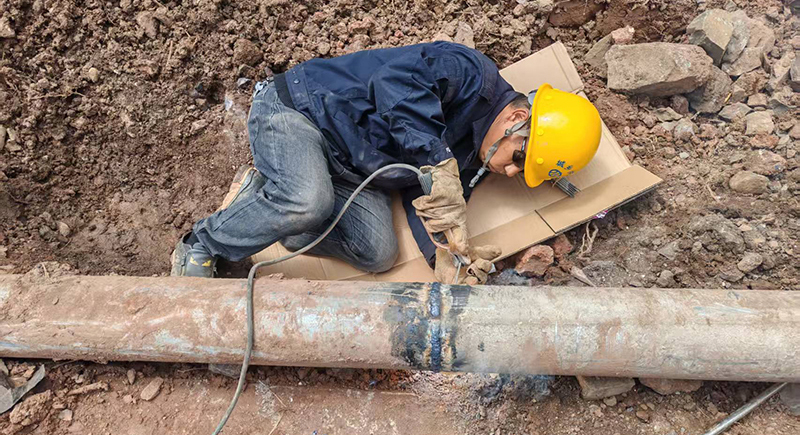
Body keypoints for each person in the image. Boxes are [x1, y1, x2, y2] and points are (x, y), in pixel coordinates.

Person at [171, 41, 601, 283]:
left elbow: (427, 195)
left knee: (377, 253)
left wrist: (446, 257)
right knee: (307, 200)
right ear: (516, 118)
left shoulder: (476, 156)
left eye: (521, 172)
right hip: (301, 111)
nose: (509, 172)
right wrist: (437, 161)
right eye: (519, 158)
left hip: (351, 168)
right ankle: (202, 243)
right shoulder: (468, 71)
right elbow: (393, 84)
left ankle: (270, 202)